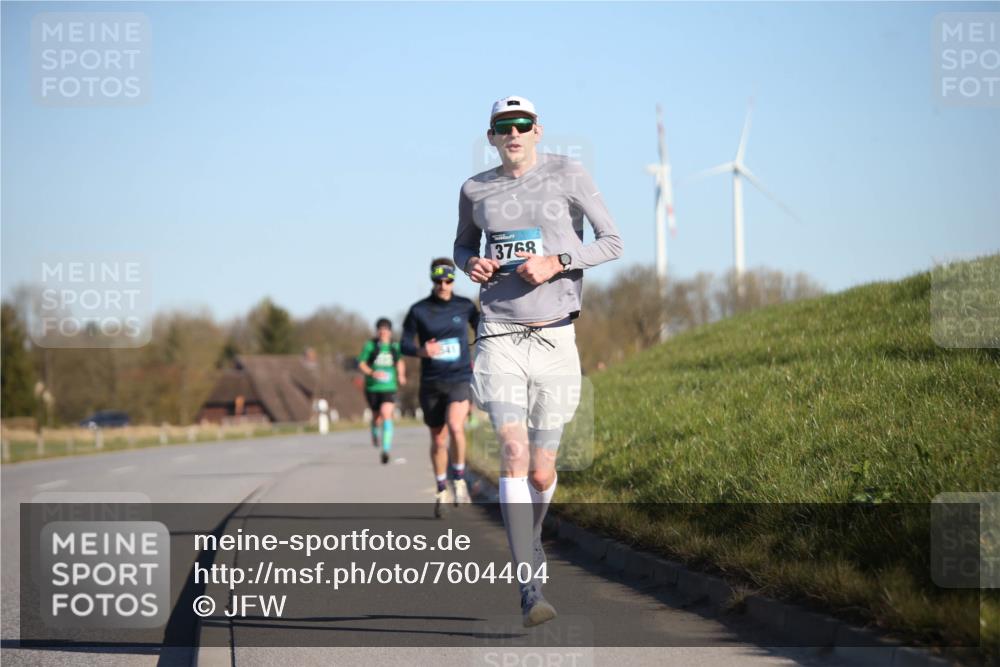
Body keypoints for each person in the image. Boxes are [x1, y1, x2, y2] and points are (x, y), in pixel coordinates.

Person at [454, 95, 623, 627]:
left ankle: (534, 542)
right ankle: (527, 583)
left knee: (544, 470)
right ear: (491, 136)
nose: (514, 133)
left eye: (522, 125)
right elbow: (461, 247)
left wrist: (557, 262)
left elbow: (613, 242)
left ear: (537, 130)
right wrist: (473, 264)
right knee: (512, 451)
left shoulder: (568, 173)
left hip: (555, 337)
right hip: (499, 331)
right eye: (504, 126)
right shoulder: (474, 189)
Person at [401, 258, 481, 518]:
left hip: (459, 378)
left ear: (454, 279)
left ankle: (458, 478)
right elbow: (403, 344)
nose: (443, 285)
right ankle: (441, 488)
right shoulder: (418, 311)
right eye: (438, 280)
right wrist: (421, 350)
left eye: (448, 280)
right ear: (432, 281)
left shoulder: (465, 306)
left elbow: (483, 327)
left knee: (456, 426)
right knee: (438, 438)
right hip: (431, 382)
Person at [357, 318, 406, 465]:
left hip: (389, 387)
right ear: (377, 331)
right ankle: (374, 432)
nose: (383, 331)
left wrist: (402, 375)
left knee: (386, 414)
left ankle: (385, 450)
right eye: (380, 329)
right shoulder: (370, 346)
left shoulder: (394, 347)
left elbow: (400, 362)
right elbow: (361, 364)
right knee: (377, 417)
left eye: (386, 329)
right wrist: (372, 373)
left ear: (390, 331)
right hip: (372, 388)